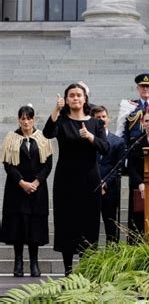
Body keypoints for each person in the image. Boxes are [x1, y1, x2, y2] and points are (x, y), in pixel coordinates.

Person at [43, 83, 109, 276]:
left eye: (79, 95)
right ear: (67, 99)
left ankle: (86, 270)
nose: (75, 98)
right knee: (66, 223)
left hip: (90, 180)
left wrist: (90, 138)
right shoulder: (62, 121)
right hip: (66, 179)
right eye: (71, 95)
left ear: (85, 98)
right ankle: (68, 271)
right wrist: (56, 109)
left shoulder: (95, 123)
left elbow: (105, 148)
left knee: (89, 224)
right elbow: (47, 133)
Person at [0, 105, 53, 277]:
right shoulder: (11, 137)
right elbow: (7, 164)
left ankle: (34, 263)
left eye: (29, 118)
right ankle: (18, 262)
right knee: (17, 226)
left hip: (37, 190)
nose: (26, 121)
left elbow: (48, 165)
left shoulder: (43, 138)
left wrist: (36, 182)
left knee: (34, 227)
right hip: (16, 189)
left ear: (34, 119)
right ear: (18, 120)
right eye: (22, 118)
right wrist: (22, 182)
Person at [91, 106, 126, 243]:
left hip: (110, 190)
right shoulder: (88, 140)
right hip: (91, 188)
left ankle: (111, 256)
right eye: (98, 117)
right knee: (90, 227)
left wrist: (105, 183)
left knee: (111, 227)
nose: (101, 120)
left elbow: (119, 167)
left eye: (103, 117)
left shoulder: (118, 141)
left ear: (108, 119)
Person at [127, 110, 149, 239]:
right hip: (139, 185)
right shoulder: (136, 141)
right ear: (142, 123)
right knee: (138, 220)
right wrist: (140, 183)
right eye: (146, 121)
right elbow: (131, 166)